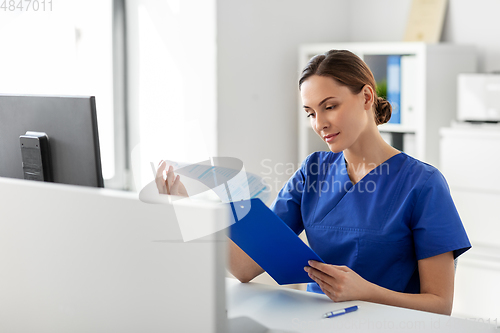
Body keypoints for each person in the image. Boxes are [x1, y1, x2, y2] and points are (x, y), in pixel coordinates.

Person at [156, 49, 471, 316]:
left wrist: (364, 291)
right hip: (315, 321)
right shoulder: (313, 171)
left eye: (330, 106)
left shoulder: (423, 184)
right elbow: (244, 267)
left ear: (366, 96)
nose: (319, 124)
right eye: (310, 113)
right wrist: (188, 208)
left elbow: (440, 304)